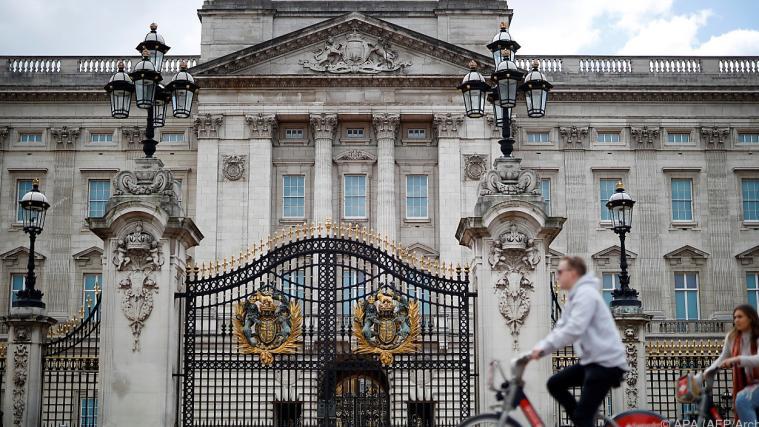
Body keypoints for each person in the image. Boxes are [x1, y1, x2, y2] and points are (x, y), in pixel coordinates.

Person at [529, 256, 628, 427]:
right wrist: (534, 350)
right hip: (592, 362)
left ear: (573, 273)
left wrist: (543, 350)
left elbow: (574, 328)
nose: (557, 276)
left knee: (582, 417)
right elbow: (561, 327)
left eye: (560, 272)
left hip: (606, 364)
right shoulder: (574, 297)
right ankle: (582, 421)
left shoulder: (586, 295)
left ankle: (583, 420)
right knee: (554, 384)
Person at [706, 304, 759, 423]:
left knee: (742, 400)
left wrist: (736, 359)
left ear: (750, 318)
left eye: (740, 317)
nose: (736, 320)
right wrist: (706, 373)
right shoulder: (732, 337)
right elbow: (722, 359)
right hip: (749, 385)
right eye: (734, 317)